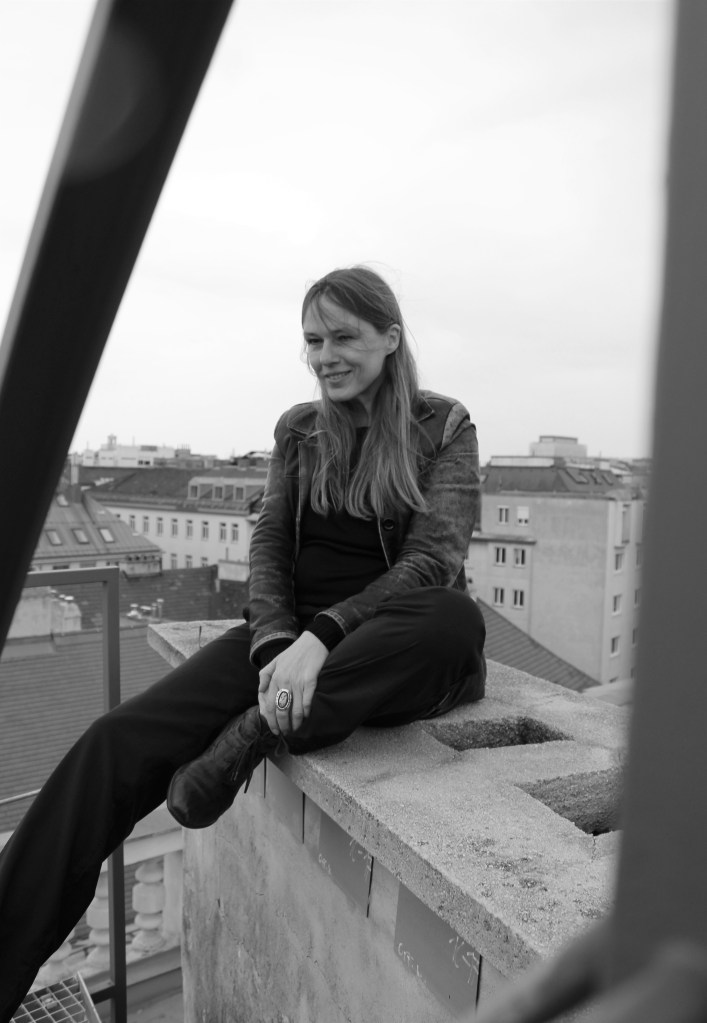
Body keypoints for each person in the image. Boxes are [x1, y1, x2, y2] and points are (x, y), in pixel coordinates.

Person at [0, 266, 486, 1020]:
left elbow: (432, 562)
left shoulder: (445, 426)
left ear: (391, 338)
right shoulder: (299, 428)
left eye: (344, 337)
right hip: (286, 638)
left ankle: (257, 731)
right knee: (112, 743)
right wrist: (274, 647)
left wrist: (323, 637)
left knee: (453, 620)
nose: (325, 356)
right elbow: (269, 547)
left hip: (389, 644)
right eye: (313, 341)